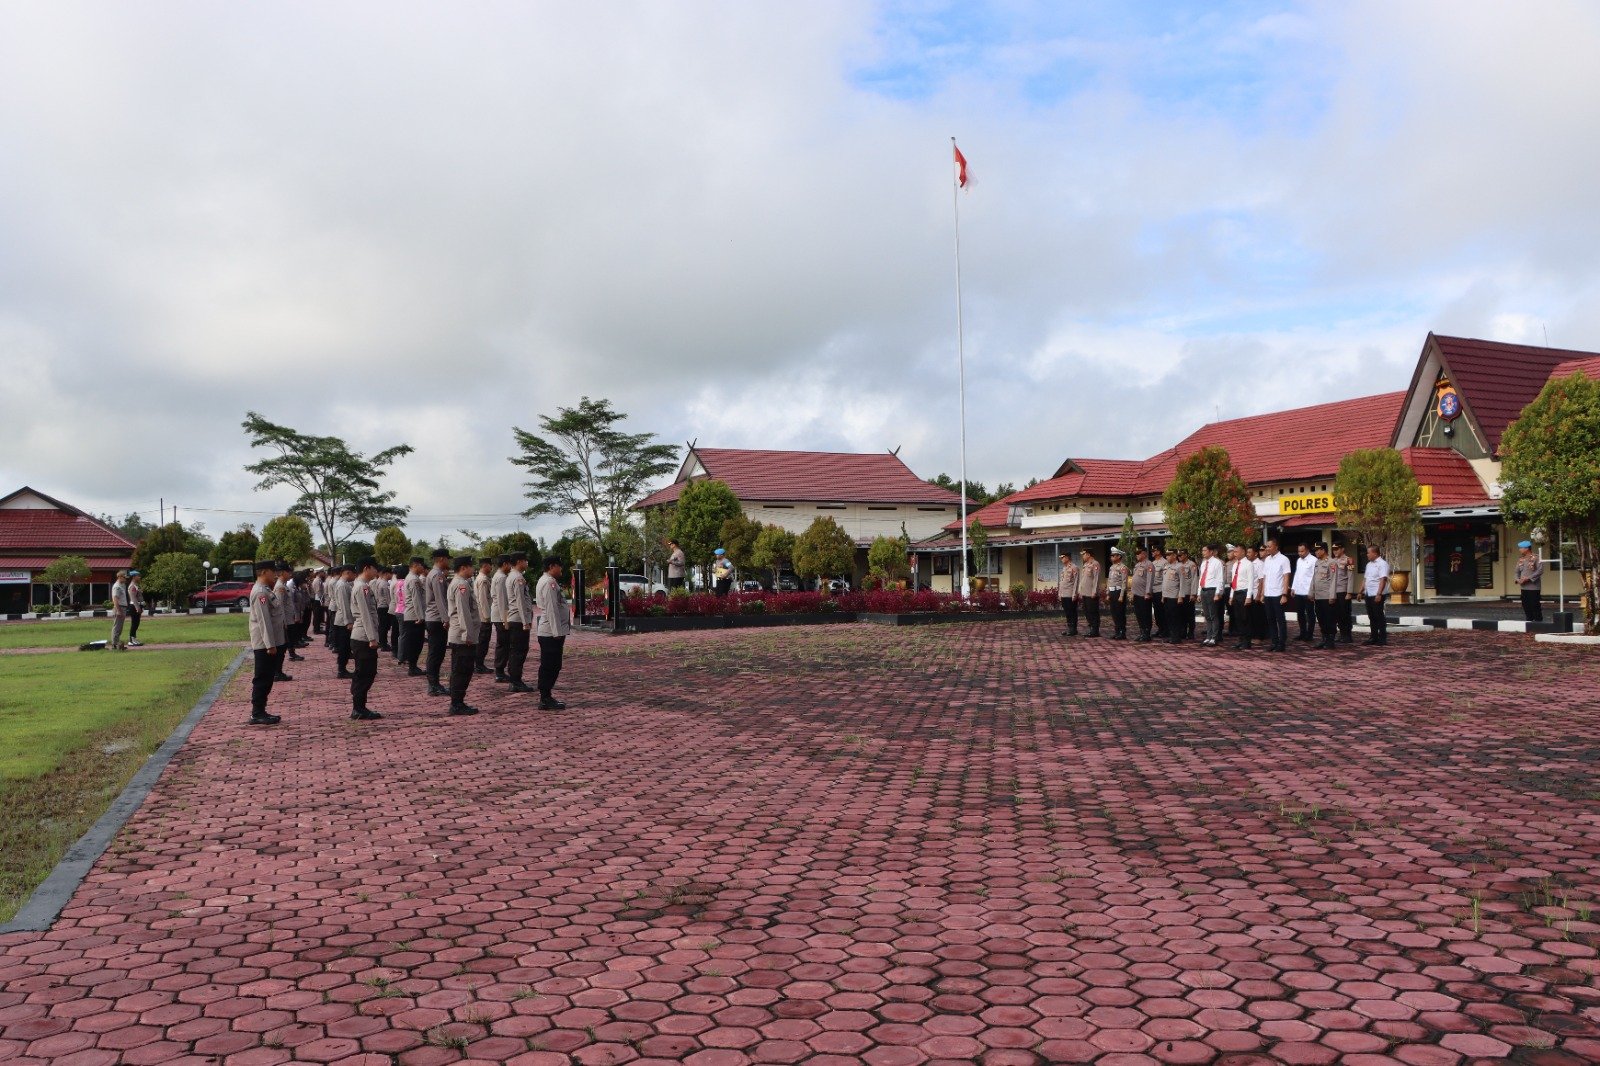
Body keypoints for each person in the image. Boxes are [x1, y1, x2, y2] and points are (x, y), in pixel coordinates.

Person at [348, 558, 383, 721]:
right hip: (363, 636)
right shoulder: (362, 587)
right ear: (367, 568)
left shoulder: (362, 586)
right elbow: (365, 614)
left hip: (363, 635)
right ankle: (358, 708)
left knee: (367, 672)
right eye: (375, 568)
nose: (377, 572)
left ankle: (360, 707)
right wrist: (372, 638)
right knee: (364, 673)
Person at [247, 561, 281, 726]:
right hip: (263, 643)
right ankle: (257, 713)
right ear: (264, 572)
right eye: (272, 571)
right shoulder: (260, 592)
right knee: (262, 678)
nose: (275, 575)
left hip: (267, 642)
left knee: (267, 677)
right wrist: (270, 644)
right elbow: (264, 621)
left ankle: (261, 711)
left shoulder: (265, 590)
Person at [446, 556, 481, 716]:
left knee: (460, 669)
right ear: (464, 568)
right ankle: (457, 704)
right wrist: (467, 634)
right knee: (462, 670)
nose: (473, 570)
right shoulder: (461, 584)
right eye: (471, 566)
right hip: (462, 636)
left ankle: (457, 701)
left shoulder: (460, 583)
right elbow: (463, 611)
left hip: (460, 634)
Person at [535, 556, 571, 709]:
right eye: (559, 566)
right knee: (550, 665)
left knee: (553, 665)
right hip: (550, 632)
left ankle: (546, 696)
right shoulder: (549, 582)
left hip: (551, 631)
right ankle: (545, 698)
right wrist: (557, 632)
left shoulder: (548, 581)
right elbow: (551, 608)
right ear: (551, 566)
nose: (561, 569)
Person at [505, 551, 534, 693]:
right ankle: (516, 681)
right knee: (519, 651)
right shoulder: (518, 578)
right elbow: (520, 601)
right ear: (518, 562)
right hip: (518, 619)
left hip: (515, 618)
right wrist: (525, 621)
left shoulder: (512, 576)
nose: (526, 563)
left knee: (516, 651)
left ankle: (514, 680)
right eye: (525, 560)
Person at [1257, 540, 1292, 653]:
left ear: (1276, 547)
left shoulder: (1284, 559)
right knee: (1270, 619)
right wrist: (1262, 593)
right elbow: (1265, 577)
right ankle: (1274, 642)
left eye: (1269, 546)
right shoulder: (1267, 560)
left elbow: (1286, 577)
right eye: (1266, 547)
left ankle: (1282, 643)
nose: (1267, 548)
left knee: (1280, 620)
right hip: (1268, 594)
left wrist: (1284, 594)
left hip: (1278, 594)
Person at [424, 548, 451, 697]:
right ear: (441, 559)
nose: (448, 561)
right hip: (436, 618)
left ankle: (434, 683)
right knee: (436, 653)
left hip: (434, 617)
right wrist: (445, 618)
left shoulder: (434, 573)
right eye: (447, 558)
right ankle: (433, 685)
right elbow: (440, 599)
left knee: (437, 652)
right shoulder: (437, 575)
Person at [1227, 545, 1256, 650]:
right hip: (1236, 592)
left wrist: (1248, 596)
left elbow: (1251, 581)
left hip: (1244, 593)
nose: (1234, 553)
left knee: (1245, 618)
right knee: (1238, 618)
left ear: (1243, 552)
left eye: (1236, 551)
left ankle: (1247, 642)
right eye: (1234, 552)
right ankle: (1241, 640)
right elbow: (1233, 582)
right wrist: (1231, 596)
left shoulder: (1248, 564)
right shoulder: (1235, 564)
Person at [1198, 543, 1226, 647]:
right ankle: (1208, 636)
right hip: (1204, 589)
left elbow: (1220, 579)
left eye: (1205, 550)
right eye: (1202, 551)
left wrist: (1217, 593)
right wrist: (1199, 592)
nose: (1203, 552)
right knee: (1207, 615)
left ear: (1211, 552)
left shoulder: (1217, 562)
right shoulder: (1203, 563)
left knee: (1213, 615)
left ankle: (1214, 637)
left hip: (1212, 590)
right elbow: (1201, 578)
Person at [330, 562, 355, 678]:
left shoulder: (344, 584)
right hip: (343, 622)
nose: (354, 576)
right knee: (343, 647)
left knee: (346, 646)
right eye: (353, 573)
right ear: (348, 573)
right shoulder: (342, 585)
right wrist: (348, 621)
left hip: (344, 620)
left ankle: (342, 668)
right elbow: (344, 605)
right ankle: (341, 670)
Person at [402, 558, 427, 674]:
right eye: (422, 566)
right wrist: (420, 616)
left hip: (412, 615)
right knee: (415, 643)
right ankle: (412, 667)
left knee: (415, 642)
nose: (423, 568)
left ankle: (413, 666)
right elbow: (416, 599)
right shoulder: (413, 579)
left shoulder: (411, 577)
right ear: (416, 565)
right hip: (414, 616)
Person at [1311, 543, 1338, 650]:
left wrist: (1332, 595)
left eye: (1318, 550)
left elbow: (1333, 580)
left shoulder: (1331, 562)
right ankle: (1324, 639)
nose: (1316, 552)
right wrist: (1311, 592)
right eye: (1315, 550)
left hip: (1327, 595)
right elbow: (1314, 578)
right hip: (1318, 595)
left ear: (1323, 550)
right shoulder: (1317, 562)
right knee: (1321, 618)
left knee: (1329, 619)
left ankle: (1330, 640)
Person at [1363, 545, 1391, 646]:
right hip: (1368, 593)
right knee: (1371, 616)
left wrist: (1379, 594)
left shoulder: (1382, 564)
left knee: (1378, 615)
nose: (1367, 555)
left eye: (1368, 553)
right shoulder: (1368, 564)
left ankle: (1382, 637)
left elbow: (1383, 579)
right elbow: (1365, 579)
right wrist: (1360, 591)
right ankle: (1373, 637)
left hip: (1377, 593)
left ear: (1375, 553)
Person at [491, 554, 512, 682]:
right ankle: (499, 672)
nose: (511, 567)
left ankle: (500, 670)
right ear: (505, 564)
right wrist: (505, 620)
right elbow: (502, 600)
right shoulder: (502, 578)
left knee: (503, 644)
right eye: (510, 564)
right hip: (501, 616)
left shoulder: (500, 576)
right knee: (503, 644)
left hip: (500, 615)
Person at [272, 563, 295, 676]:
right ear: (281, 573)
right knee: (281, 647)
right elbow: (279, 606)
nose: (290, 574)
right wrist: (284, 622)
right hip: (284, 621)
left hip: (288, 620)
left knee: (284, 647)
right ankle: (277, 672)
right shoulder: (280, 587)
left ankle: (278, 671)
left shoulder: (283, 585)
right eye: (288, 572)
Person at [1291, 543, 1317, 642]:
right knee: (1300, 613)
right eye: (1299, 551)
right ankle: (1302, 633)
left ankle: (1310, 634)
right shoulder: (1298, 560)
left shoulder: (1313, 560)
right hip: (1299, 590)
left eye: (1302, 551)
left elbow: (1315, 577)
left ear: (1307, 550)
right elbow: (1297, 574)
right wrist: (1293, 587)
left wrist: (1313, 591)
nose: (1300, 553)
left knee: (1310, 613)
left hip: (1308, 591)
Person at [1331, 543, 1356, 644]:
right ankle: (1342, 634)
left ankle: (1347, 635)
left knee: (1345, 613)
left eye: (1337, 549)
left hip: (1344, 591)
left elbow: (1351, 576)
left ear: (1342, 549)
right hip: (1334, 591)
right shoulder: (1332, 561)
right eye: (1333, 549)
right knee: (1337, 614)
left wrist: (1349, 592)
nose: (1335, 551)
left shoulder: (1348, 560)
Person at [473, 557, 494, 674]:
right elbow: (483, 599)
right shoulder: (483, 580)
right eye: (490, 565)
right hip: (483, 616)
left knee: (483, 641)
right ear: (485, 565)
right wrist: (487, 616)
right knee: (483, 642)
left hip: (481, 615)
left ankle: (479, 664)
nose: (491, 568)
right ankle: (479, 665)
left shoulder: (482, 578)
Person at [1129, 548, 1154, 642]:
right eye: (1136, 554)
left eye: (1138, 554)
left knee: (1145, 614)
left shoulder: (1149, 564)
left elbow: (1150, 580)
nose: (1137, 555)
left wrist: (1148, 592)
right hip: (1136, 593)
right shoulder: (1137, 565)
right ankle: (1142, 632)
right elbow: (1135, 579)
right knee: (1139, 614)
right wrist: (1132, 592)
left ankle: (1147, 633)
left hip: (1144, 594)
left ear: (1144, 554)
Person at [1515, 540, 1544, 622]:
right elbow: (1516, 572)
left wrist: (1528, 578)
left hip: (1534, 587)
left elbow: (1540, 570)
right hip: (1523, 587)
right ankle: (1529, 621)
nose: (1519, 550)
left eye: (1521, 548)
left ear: (1526, 548)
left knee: (1535, 605)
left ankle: (1538, 622)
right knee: (1525, 605)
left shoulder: (1536, 557)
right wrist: (1518, 579)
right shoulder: (1521, 559)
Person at [1159, 548, 1183, 645]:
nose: (1167, 557)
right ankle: (1172, 636)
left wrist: (1180, 596)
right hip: (1166, 596)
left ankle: (1176, 637)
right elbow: (1164, 582)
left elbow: (1182, 583)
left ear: (1174, 555)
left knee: (1175, 617)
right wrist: (1163, 595)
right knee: (1168, 617)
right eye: (1166, 555)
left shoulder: (1179, 566)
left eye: (1169, 555)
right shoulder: (1166, 567)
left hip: (1174, 596)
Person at [1077, 549, 1102, 637]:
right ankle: (1091, 628)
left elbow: (1096, 578)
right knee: (1087, 611)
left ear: (1088, 555)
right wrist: (1080, 590)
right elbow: (1083, 579)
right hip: (1085, 592)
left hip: (1091, 593)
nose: (1082, 556)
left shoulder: (1095, 564)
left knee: (1093, 611)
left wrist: (1094, 591)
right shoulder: (1085, 565)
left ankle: (1095, 630)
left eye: (1083, 555)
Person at [1105, 547, 1128, 640]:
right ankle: (1117, 631)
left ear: (1119, 556)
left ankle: (1122, 632)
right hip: (1112, 592)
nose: (1111, 557)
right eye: (1111, 556)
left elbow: (1124, 582)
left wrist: (1121, 595)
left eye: (1113, 555)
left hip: (1119, 591)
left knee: (1120, 613)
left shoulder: (1123, 567)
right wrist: (1108, 593)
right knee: (1114, 612)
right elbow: (1109, 581)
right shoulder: (1111, 567)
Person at [1056, 551, 1079, 636]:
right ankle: (1069, 628)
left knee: (1072, 611)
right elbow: (1062, 582)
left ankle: (1073, 629)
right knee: (1067, 612)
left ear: (1067, 557)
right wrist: (1060, 593)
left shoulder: (1074, 567)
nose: (1061, 559)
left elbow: (1076, 582)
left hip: (1070, 594)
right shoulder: (1064, 568)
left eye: (1062, 557)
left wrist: (1074, 594)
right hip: (1064, 594)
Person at [1177, 549, 1199, 641]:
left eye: (1181, 555)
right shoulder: (1178, 565)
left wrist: (1193, 593)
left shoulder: (1191, 565)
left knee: (1189, 614)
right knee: (1181, 614)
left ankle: (1191, 632)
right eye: (1178, 555)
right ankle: (1183, 631)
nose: (1179, 557)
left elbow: (1194, 579)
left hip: (1188, 593)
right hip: (1180, 593)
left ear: (1186, 555)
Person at [389, 565, 408, 661]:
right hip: (402, 610)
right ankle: (401, 655)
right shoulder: (403, 583)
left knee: (400, 633)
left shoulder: (397, 583)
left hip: (397, 609)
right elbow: (405, 598)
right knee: (403, 634)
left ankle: (400, 654)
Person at [1150, 548, 1169, 640]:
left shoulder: (1164, 562)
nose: (1152, 553)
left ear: (1159, 552)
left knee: (1162, 611)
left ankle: (1165, 630)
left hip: (1160, 589)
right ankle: (1160, 628)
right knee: (1157, 611)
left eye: (1154, 551)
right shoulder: (1152, 563)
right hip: (1153, 589)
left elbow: (1166, 578)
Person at [373, 563, 392, 653]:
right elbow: (388, 598)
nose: (391, 576)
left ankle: (382, 642)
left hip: (380, 605)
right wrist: (391, 608)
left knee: (382, 626)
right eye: (390, 574)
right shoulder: (385, 584)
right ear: (386, 573)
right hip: (384, 607)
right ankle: (384, 644)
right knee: (384, 626)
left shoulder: (379, 582)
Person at [109, 570, 130, 651]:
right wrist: (118, 610)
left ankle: (117, 643)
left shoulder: (121, 585)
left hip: (122, 607)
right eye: (124, 577)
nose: (125, 579)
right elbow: (115, 599)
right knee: (117, 627)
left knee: (119, 627)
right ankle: (114, 644)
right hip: (119, 607)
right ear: (120, 577)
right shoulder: (117, 586)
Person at [126, 571, 144, 646]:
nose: (139, 577)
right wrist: (137, 607)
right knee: (134, 623)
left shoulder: (136, 585)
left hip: (137, 605)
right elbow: (133, 598)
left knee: (137, 623)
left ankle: (134, 638)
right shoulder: (132, 586)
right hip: (134, 606)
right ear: (134, 577)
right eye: (138, 576)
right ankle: (131, 640)